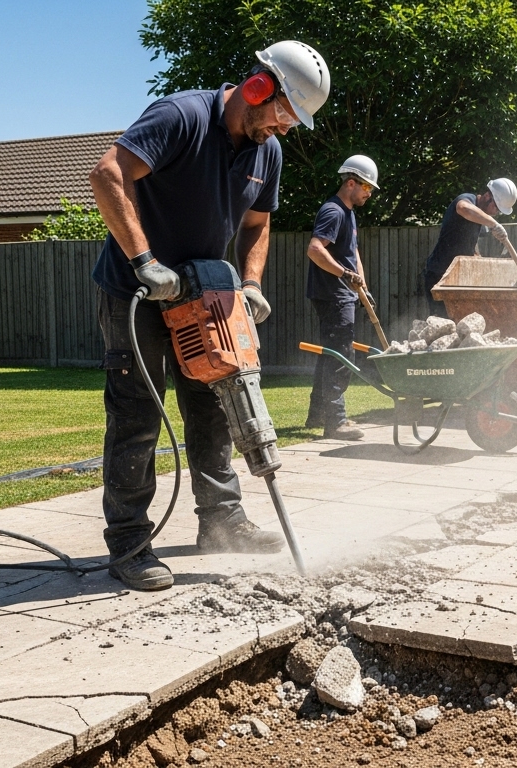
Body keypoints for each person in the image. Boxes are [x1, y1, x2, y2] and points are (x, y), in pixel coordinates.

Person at [87, 40, 331, 591]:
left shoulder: (267, 152)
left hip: (206, 294)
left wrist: (251, 284)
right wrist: (145, 261)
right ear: (258, 88)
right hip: (136, 293)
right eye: (285, 117)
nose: (285, 130)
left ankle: (222, 521)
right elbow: (108, 175)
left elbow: (258, 224)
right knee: (138, 413)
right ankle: (129, 543)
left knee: (216, 406)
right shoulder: (180, 117)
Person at [304, 155, 379, 441]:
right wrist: (345, 275)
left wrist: (363, 286)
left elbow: (352, 252)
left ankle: (318, 415)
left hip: (342, 292)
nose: (368, 193)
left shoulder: (348, 212)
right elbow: (314, 249)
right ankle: (335, 422)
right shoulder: (333, 211)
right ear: (351, 183)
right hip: (333, 294)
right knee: (342, 355)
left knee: (330, 355)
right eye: (366, 188)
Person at [420, 178, 517, 316]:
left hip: (457, 279)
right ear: (488, 196)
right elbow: (463, 208)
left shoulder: (479, 221)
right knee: (442, 323)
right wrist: (493, 224)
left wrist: (480, 264)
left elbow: (471, 245)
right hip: (439, 275)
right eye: (496, 207)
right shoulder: (467, 200)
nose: (496, 213)